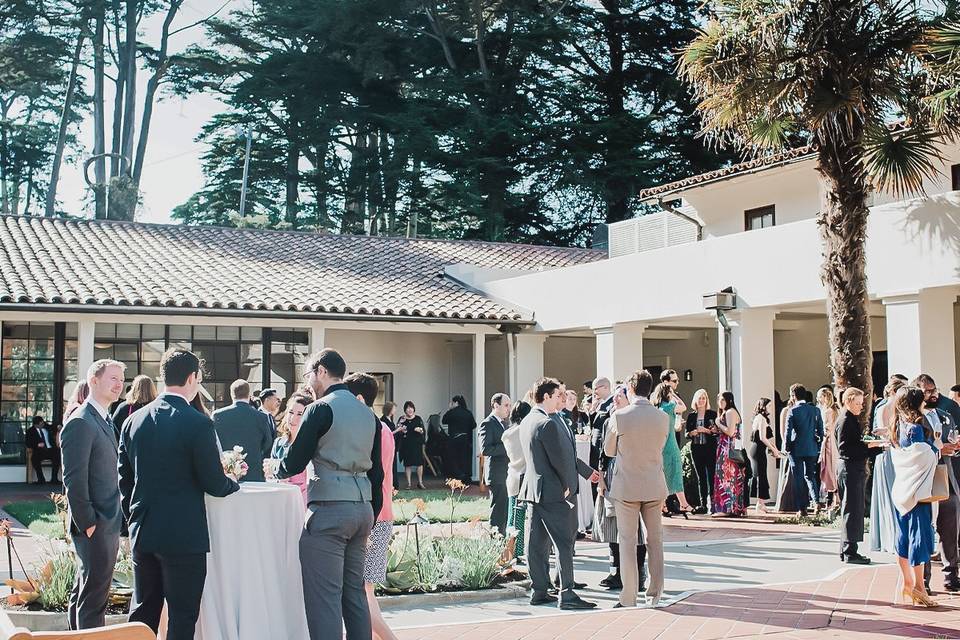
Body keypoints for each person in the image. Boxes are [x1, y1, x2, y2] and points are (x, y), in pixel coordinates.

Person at [118, 349, 240, 640]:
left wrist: (133, 518)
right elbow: (213, 483)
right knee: (183, 616)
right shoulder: (198, 423)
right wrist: (232, 482)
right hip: (184, 536)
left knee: (143, 613)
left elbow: (124, 480)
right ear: (192, 378)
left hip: (144, 530)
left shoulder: (133, 421)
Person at [267, 348, 384, 640]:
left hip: (330, 509)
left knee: (324, 600)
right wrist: (370, 515)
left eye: (308, 375)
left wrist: (275, 468)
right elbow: (377, 474)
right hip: (362, 510)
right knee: (354, 595)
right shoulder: (369, 415)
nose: (308, 383)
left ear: (321, 371)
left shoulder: (320, 409)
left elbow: (294, 461)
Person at [518, 377, 599, 611]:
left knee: (536, 544)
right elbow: (559, 460)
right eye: (556, 396)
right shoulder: (547, 423)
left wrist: (584, 472)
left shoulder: (527, 421)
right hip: (554, 492)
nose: (559, 400)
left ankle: (539, 591)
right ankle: (568, 594)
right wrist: (567, 485)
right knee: (564, 543)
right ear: (546, 397)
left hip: (534, 491)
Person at [60, 359, 125, 630]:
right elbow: (74, 479)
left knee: (84, 592)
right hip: (95, 525)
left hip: (106, 522)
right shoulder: (82, 422)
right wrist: (88, 523)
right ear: (94, 381)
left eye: (122, 379)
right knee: (94, 599)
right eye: (113, 378)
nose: (119, 384)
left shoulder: (104, 419)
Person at [604, 369, 668, 608]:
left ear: (630, 389)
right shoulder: (662, 417)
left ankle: (628, 596)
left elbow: (609, 451)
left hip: (627, 485)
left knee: (627, 541)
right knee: (655, 541)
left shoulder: (619, 417)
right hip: (653, 483)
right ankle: (655, 594)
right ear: (649, 389)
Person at [344, 372, 399, 640]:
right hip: (382, 513)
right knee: (366, 591)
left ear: (358, 398)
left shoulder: (372, 429)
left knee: (362, 593)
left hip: (374, 516)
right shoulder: (383, 429)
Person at [889, 386, 939, 607]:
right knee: (918, 538)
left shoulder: (896, 426)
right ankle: (919, 586)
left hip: (901, 489)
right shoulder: (915, 428)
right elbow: (921, 455)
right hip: (917, 492)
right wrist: (936, 447)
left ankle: (907, 582)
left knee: (903, 537)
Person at [596, 384, 648, 593]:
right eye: (615, 396)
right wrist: (600, 477)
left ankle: (638, 572)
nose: (615, 399)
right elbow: (601, 451)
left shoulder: (636, 420)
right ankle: (615, 571)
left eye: (620, 396)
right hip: (611, 476)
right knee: (612, 526)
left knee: (634, 528)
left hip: (631, 479)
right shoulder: (609, 420)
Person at [914, 374, 960, 593]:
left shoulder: (944, 415)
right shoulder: (912, 419)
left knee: (950, 528)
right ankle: (924, 580)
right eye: (927, 391)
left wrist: (955, 446)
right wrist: (939, 449)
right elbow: (914, 449)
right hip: (923, 479)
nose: (933, 395)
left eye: (934, 390)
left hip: (946, 477)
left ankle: (951, 575)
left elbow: (951, 441)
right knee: (925, 529)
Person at [836, 387, 885, 564]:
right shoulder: (845, 420)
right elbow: (846, 449)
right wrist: (871, 447)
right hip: (850, 468)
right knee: (852, 509)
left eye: (861, 403)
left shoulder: (849, 418)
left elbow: (852, 444)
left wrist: (869, 443)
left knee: (852, 509)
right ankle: (850, 551)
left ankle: (846, 549)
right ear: (848, 401)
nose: (860, 407)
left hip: (850, 468)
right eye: (857, 403)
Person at [870, 376, 908, 554]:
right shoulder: (884, 408)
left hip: (898, 453)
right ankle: (892, 537)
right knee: (890, 495)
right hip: (888, 454)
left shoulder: (901, 409)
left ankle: (900, 536)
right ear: (893, 391)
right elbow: (882, 434)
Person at [212, 379, 273, 483]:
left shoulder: (217, 415)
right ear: (249, 395)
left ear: (232, 394)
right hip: (254, 472)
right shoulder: (262, 417)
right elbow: (268, 443)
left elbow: (213, 443)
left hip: (226, 474)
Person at [652, 382, 693, 515]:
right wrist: (675, 395)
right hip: (670, 443)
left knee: (663, 474)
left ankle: (663, 505)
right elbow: (684, 407)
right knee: (675, 472)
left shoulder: (656, 407)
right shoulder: (669, 406)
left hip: (659, 444)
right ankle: (683, 504)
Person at [785, 383, 824, 516]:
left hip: (796, 448)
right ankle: (816, 501)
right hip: (811, 448)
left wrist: (787, 447)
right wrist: (817, 445)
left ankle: (802, 508)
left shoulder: (793, 411)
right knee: (810, 475)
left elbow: (788, 432)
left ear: (793, 396)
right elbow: (821, 430)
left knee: (798, 478)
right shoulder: (815, 410)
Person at [478, 393, 512, 535]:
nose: (508, 409)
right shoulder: (488, 423)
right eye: (506, 405)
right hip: (497, 474)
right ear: (495, 405)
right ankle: (495, 544)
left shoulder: (504, 423)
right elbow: (485, 449)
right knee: (498, 512)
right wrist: (508, 447)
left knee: (504, 511)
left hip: (506, 473)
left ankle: (502, 544)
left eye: (509, 405)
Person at [270, 394, 313, 504]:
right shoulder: (279, 443)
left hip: (304, 500)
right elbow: (272, 476)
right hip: (279, 499)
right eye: (291, 412)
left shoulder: (313, 445)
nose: (293, 418)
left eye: (300, 414)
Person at [502, 400, 530, 560]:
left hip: (512, 475)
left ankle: (511, 551)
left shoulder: (507, 434)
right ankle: (518, 551)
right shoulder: (526, 431)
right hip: (526, 475)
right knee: (524, 516)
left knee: (512, 515)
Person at [712, 392, 746, 517]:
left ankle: (727, 508)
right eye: (719, 400)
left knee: (726, 477)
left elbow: (731, 432)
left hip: (728, 449)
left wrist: (718, 423)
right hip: (725, 447)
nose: (720, 402)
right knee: (728, 477)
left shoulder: (730, 412)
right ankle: (731, 507)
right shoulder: (727, 412)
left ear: (729, 400)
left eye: (722, 400)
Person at [685, 389, 718, 514]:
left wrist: (705, 430)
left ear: (706, 400)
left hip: (709, 448)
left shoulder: (712, 415)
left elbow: (716, 432)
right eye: (699, 398)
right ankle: (703, 504)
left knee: (711, 476)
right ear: (695, 400)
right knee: (701, 477)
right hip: (696, 449)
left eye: (703, 398)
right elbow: (686, 433)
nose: (701, 400)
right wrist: (692, 433)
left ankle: (714, 504)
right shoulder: (691, 416)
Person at [748, 398, 779, 513]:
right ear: (763, 406)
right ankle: (760, 503)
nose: (770, 408)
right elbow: (762, 437)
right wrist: (773, 449)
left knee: (761, 474)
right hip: (758, 450)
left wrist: (773, 448)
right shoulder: (761, 418)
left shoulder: (761, 418)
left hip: (759, 449)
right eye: (768, 406)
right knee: (760, 475)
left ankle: (761, 503)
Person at [111, 375, 157, 442]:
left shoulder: (124, 407)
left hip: (129, 448)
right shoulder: (157, 408)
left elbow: (113, 430)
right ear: (152, 389)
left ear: (134, 388)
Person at [442, 395, 477, 483]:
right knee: (465, 459)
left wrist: (449, 409)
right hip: (465, 439)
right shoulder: (468, 412)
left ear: (456, 403)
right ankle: (465, 478)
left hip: (453, 439)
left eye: (452, 403)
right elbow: (474, 425)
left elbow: (444, 420)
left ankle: (455, 478)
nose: (451, 404)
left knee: (453, 459)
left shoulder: (452, 412)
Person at [817, 386, 840, 511]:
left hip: (829, 442)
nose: (819, 399)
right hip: (834, 441)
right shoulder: (835, 409)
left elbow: (827, 429)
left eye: (820, 397)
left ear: (825, 397)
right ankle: (834, 498)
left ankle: (832, 498)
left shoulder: (828, 411)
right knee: (832, 469)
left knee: (829, 468)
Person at [774, 394, 797, 513]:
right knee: (787, 473)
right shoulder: (785, 410)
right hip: (788, 445)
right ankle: (785, 502)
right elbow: (783, 431)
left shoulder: (796, 410)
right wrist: (787, 445)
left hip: (796, 445)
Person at [397, 401, 426, 489]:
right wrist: (401, 430)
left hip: (416, 444)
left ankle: (420, 482)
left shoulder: (418, 418)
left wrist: (420, 430)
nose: (409, 410)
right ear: (405, 410)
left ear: (414, 409)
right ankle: (409, 483)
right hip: (406, 444)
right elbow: (397, 428)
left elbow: (423, 430)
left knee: (419, 464)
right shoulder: (402, 418)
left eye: (411, 408)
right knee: (408, 464)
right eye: (407, 408)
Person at [26, 415, 60, 484]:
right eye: (41, 424)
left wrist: (58, 426)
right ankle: (41, 479)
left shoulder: (46, 427)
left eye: (43, 423)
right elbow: (28, 443)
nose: (43, 425)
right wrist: (37, 445)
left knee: (57, 455)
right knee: (34, 459)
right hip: (39, 451)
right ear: (36, 425)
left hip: (50, 449)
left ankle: (54, 479)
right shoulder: (30, 431)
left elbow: (54, 427)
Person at [381, 401, 400, 489]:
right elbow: (388, 433)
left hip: (393, 445)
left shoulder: (389, 420)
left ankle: (394, 484)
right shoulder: (383, 420)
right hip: (387, 446)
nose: (395, 410)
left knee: (393, 465)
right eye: (393, 408)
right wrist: (398, 430)